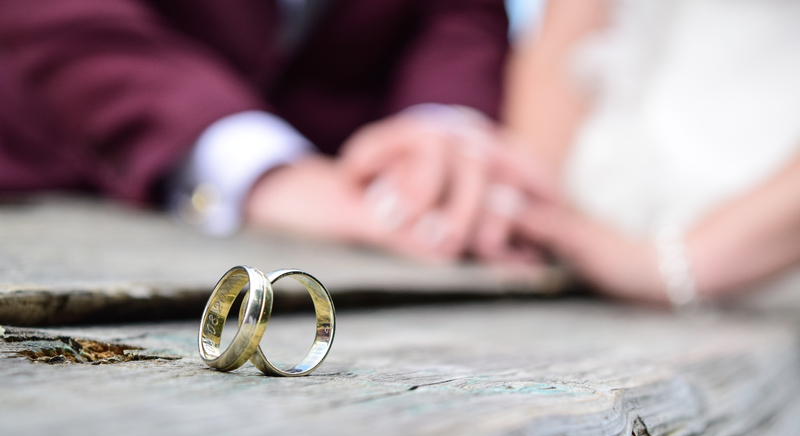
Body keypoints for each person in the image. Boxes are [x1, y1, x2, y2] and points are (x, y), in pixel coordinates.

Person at [0, 0, 554, 262]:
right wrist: (269, 172)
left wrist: (439, 126)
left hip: (355, 210)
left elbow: (460, 16)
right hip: (59, 177)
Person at [499, 0, 800, 307]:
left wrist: (678, 265)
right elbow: (561, 47)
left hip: (760, 258)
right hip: (585, 240)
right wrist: (538, 214)